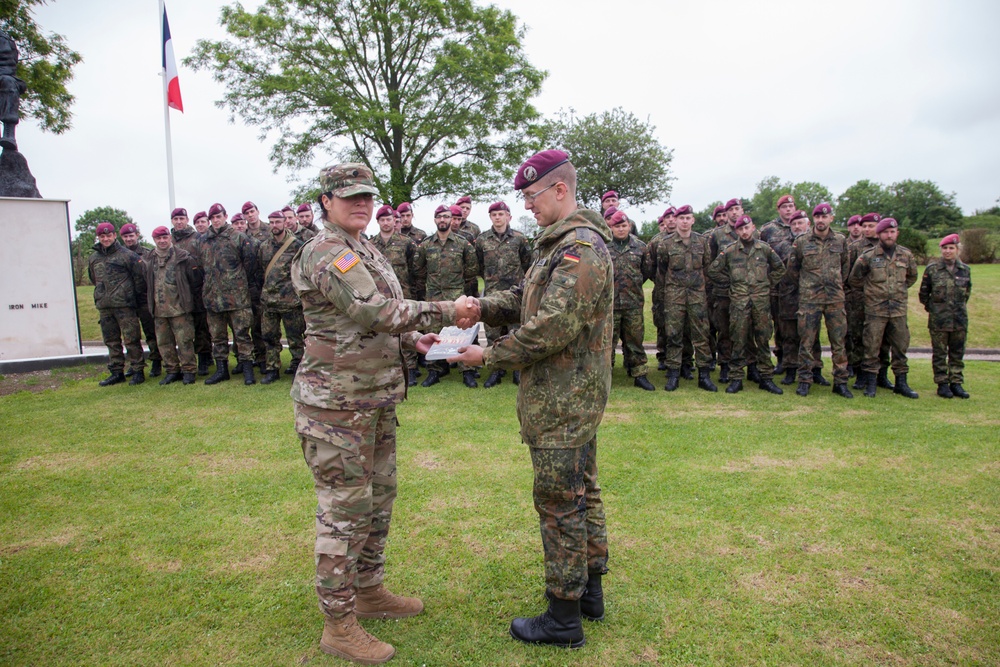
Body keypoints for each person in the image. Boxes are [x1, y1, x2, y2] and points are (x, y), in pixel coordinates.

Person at [290, 162, 477, 664]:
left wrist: (418, 339)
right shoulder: (327, 252)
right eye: (350, 196)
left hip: (373, 398)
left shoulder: (364, 248)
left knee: (377, 501)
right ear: (325, 200)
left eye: (368, 197)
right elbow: (372, 312)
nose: (362, 205)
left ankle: (369, 591)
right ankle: (338, 624)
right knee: (344, 512)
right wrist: (444, 310)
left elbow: (383, 317)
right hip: (335, 406)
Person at [449, 149, 613, 649]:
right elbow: (525, 298)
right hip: (567, 396)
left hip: (564, 399)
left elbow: (553, 326)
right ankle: (588, 594)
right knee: (582, 492)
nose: (527, 207)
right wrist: (479, 307)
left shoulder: (580, 248)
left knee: (560, 503)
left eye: (531, 196)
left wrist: (488, 355)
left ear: (559, 190)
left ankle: (563, 619)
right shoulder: (556, 246)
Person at [707, 215, 785, 394]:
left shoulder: (764, 249)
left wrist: (767, 283)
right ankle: (736, 378)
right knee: (738, 340)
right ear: (737, 231)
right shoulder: (729, 251)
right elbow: (713, 270)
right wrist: (731, 283)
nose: (744, 231)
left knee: (763, 340)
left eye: (747, 227)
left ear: (753, 228)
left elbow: (780, 268)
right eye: (740, 229)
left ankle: (767, 378)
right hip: (739, 302)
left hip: (760, 302)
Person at [786, 203, 852, 398]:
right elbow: (793, 270)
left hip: (834, 299)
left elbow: (845, 268)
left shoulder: (841, 241)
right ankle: (805, 380)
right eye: (818, 217)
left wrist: (834, 284)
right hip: (809, 299)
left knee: (838, 342)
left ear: (831, 218)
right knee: (806, 342)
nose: (821, 220)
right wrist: (808, 286)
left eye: (825, 216)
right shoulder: (802, 241)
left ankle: (840, 381)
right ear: (813, 219)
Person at [848, 217, 919, 398]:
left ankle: (901, 383)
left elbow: (911, 277)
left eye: (892, 231)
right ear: (879, 234)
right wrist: (872, 291)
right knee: (871, 347)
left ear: (897, 233)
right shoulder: (868, 256)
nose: (889, 235)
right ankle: (871, 383)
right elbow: (855, 279)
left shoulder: (906, 255)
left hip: (898, 310)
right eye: (886, 232)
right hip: (875, 310)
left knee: (900, 347)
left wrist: (896, 291)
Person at [413, 204, 479, 387]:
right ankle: (435, 370)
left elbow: (471, 271)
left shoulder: (462, 244)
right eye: (439, 217)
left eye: (446, 217)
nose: (442, 220)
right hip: (434, 296)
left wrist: (458, 289)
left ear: (452, 219)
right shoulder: (425, 245)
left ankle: (467, 371)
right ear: (435, 220)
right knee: (433, 331)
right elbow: (419, 271)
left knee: (461, 332)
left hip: (456, 295)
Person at [654, 205, 716, 392]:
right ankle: (674, 374)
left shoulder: (702, 242)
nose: (684, 221)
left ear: (693, 220)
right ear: (676, 220)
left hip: (697, 295)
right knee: (673, 334)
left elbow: (707, 267)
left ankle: (704, 375)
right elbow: (662, 271)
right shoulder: (666, 244)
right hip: (675, 296)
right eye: (681, 218)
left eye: (687, 218)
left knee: (701, 335)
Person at [200, 203, 261, 385]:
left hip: (237, 296)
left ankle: (248, 370)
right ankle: (222, 370)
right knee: (217, 337)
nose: (216, 220)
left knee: (242, 334)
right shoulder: (203, 241)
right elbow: (201, 266)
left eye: (219, 216)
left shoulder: (239, 238)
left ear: (225, 216)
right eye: (213, 217)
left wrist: (238, 283)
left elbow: (250, 265)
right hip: (213, 298)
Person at [474, 200, 532, 388]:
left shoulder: (519, 238)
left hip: (515, 294)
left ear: (509, 216)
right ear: (490, 217)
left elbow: (527, 264)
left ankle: (517, 369)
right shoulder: (482, 240)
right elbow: (479, 265)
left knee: (516, 332)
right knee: (492, 333)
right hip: (493, 293)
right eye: (494, 214)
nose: (498, 217)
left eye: (501, 214)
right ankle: (495, 371)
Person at [88, 222, 147, 386]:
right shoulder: (94, 258)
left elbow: (139, 280)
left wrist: (128, 295)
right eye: (102, 236)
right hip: (105, 306)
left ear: (114, 236)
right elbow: (94, 279)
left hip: (125, 306)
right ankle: (116, 372)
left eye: (108, 235)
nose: (106, 239)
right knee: (111, 341)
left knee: (131, 340)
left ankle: (137, 370)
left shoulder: (128, 255)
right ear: (99, 238)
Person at [142, 226, 201, 385]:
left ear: (170, 238)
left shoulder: (183, 257)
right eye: (158, 238)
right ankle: (172, 370)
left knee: (185, 341)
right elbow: (146, 281)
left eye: (165, 237)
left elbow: (194, 281)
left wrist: (190, 303)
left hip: (179, 308)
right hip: (159, 309)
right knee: (164, 342)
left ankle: (189, 370)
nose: (162, 241)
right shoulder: (149, 258)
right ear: (154, 240)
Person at [370, 204, 420, 385]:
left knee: (406, 328)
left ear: (394, 220)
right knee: (381, 331)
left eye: (389, 219)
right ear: (378, 222)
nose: (386, 223)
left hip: (402, 293)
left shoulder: (406, 243)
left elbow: (415, 270)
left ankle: (411, 367)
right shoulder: (370, 244)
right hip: (378, 296)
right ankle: (382, 367)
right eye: (382, 220)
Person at [606, 208, 654, 390]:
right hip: (609, 304)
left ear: (629, 226)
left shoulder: (640, 247)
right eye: (617, 226)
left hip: (633, 303)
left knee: (635, 341)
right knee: (607, 342)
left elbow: (647, 271)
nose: (621, 229)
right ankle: (605, 376)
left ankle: (640, 375)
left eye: (624, 225)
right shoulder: (604, 246)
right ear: (611, 227)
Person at [919, 234, 972, 398]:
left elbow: (966, 294)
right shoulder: (933, 269)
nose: (948, 251)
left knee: (957, 353)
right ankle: (942, 384)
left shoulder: (965, 271)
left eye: (951, 248)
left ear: (957, 250)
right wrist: (934, 309)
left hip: (959, 319)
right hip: (939, 320)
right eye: (945, 248)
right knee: (940, 353)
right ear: (941, 250)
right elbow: (923, 294)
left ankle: (956, 383)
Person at [257, 211, 306, 384]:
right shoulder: (264, 247)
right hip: (269, 301)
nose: (274, 225)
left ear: (285, 222)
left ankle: (299, 369)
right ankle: (272, 369)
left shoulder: (296, 246)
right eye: (271, 222)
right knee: (269, 337)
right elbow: (261, 270)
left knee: (296, 338)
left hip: (290, 302)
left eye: (278, 221)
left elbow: (302, 272)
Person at [170, 208, 212, 374]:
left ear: (187, 219)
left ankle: (204, 357)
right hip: (177, 290)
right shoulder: (169, 240)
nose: (179, 222)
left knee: (201, 324)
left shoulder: (197, 238)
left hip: (197, 288)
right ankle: (186, 360)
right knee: (184, 327)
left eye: (182, 218)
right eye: (176, 219)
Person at [119, 222, 162, 377]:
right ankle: (135, 363)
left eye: (131, 235)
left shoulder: (147, 254)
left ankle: (157, 361)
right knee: (131, 336)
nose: (129, 239)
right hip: (126, 301)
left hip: (144, 298)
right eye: (125, 236)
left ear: (137, 235)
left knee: (151, 333)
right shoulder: (119, 254)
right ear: (121, 237)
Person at [760, 194, 797, 373]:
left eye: (791, 206)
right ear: (779, 209)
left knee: (800, 326)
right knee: (779, 324)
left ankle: (803, 363)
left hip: (800, 288)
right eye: (785, 207)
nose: (788, 209)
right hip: (776, 287)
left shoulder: (802, 226)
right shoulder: (768, 230)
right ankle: (782, 359)